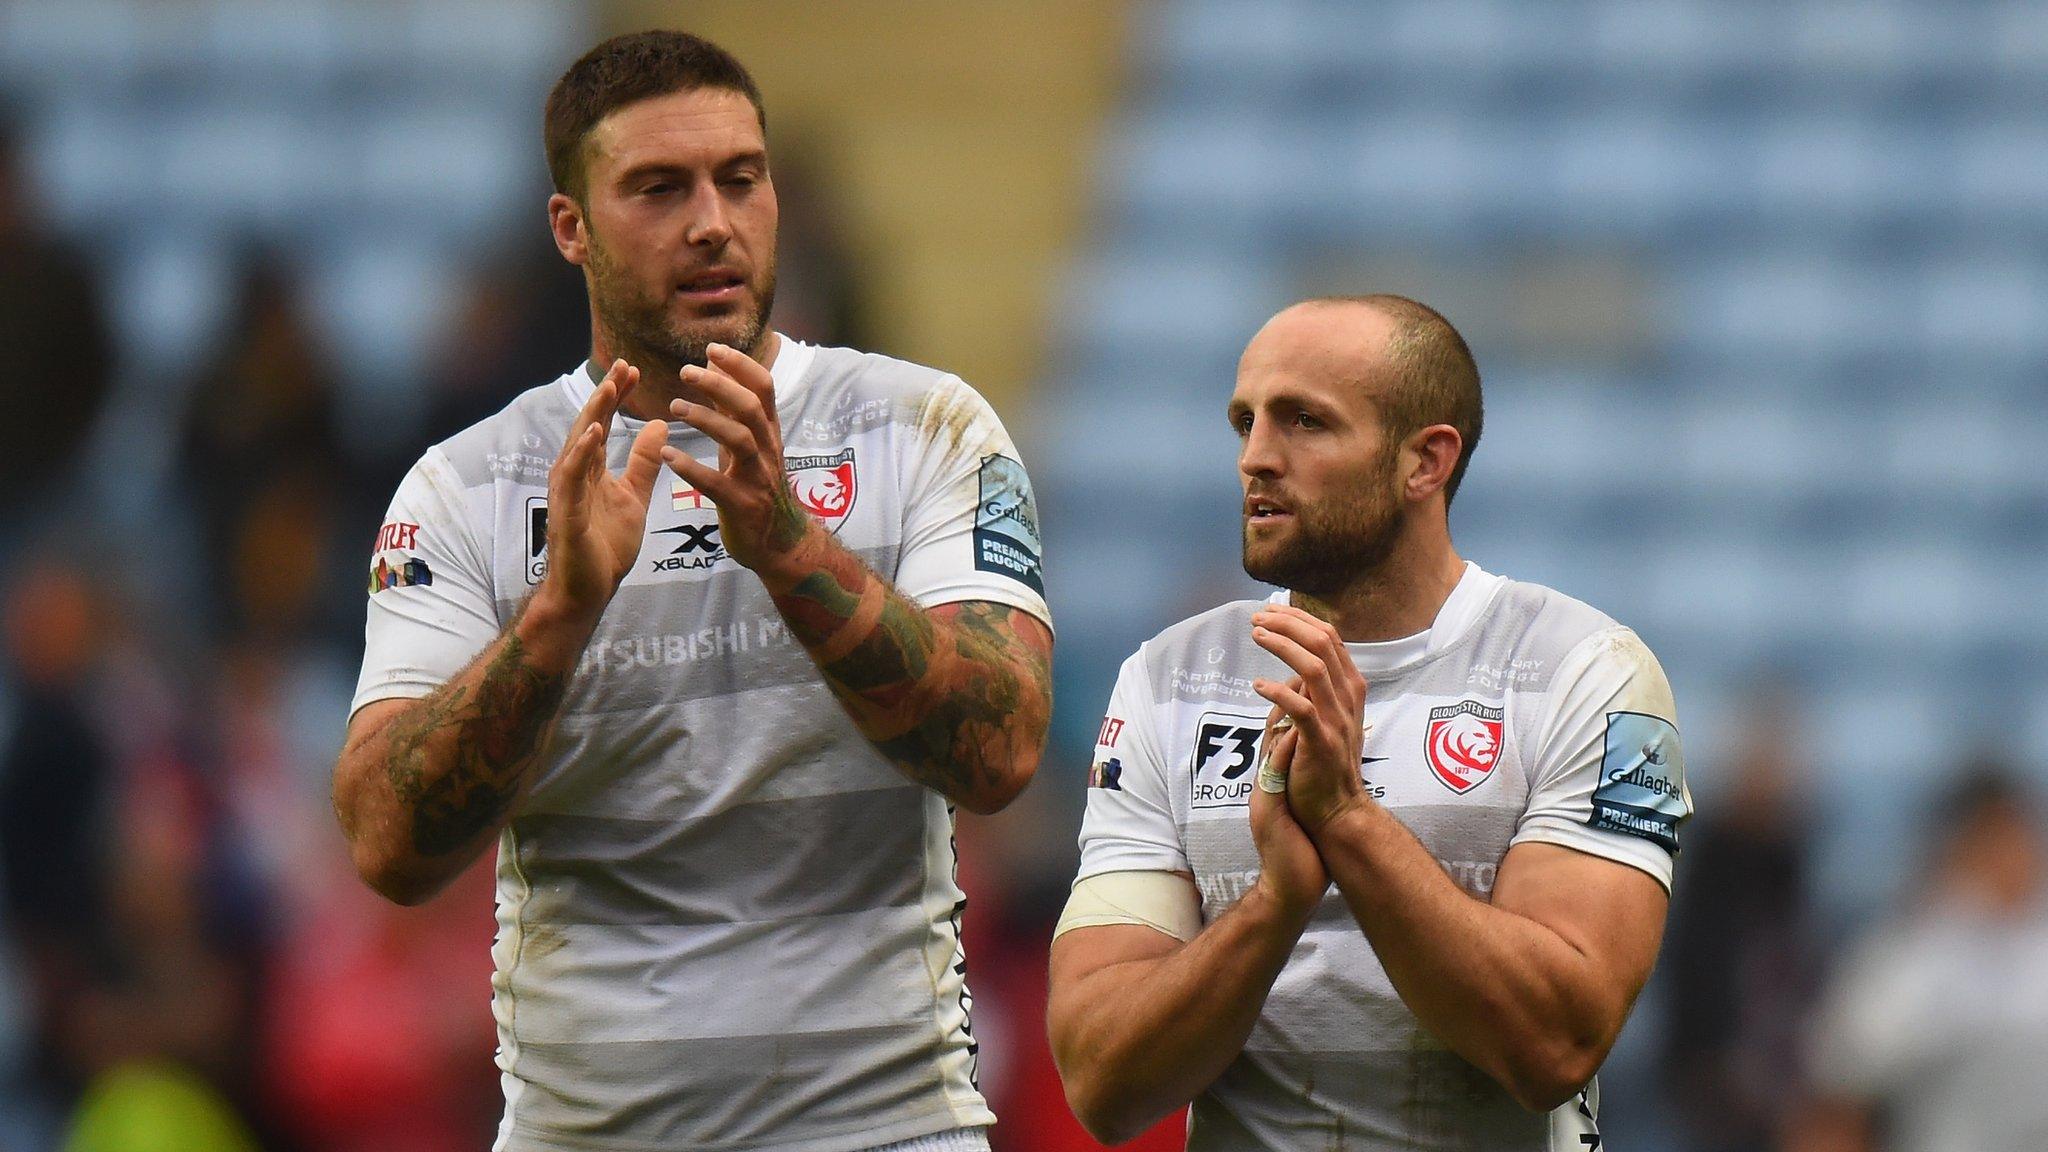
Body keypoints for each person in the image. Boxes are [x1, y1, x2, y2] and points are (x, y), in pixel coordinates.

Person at [329, 31, 1054, 1152]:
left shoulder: (924, 427)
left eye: (740, 178)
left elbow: (1000, 749)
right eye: (658, 188)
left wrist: (788, 549)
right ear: (569, 228)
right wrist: (557, 621)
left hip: (879, 1127)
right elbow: (387, 845)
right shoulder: (468, 484)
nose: (711, 220)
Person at [1046, 296, 1689, 1150]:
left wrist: (1349, 822)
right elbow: (1102, 1080)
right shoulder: (1171, 681)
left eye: (1305, 422)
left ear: (1426, 460)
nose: (1255, 459)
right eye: (1246, 421)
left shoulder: (1594, 674)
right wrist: (1274, 905)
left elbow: (1555, 1043)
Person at [1788, 764, 2048, 1152]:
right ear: (1960, 844)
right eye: (1996, 838)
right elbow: (1833, 1105)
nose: (2016, 855)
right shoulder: (1908, 957)